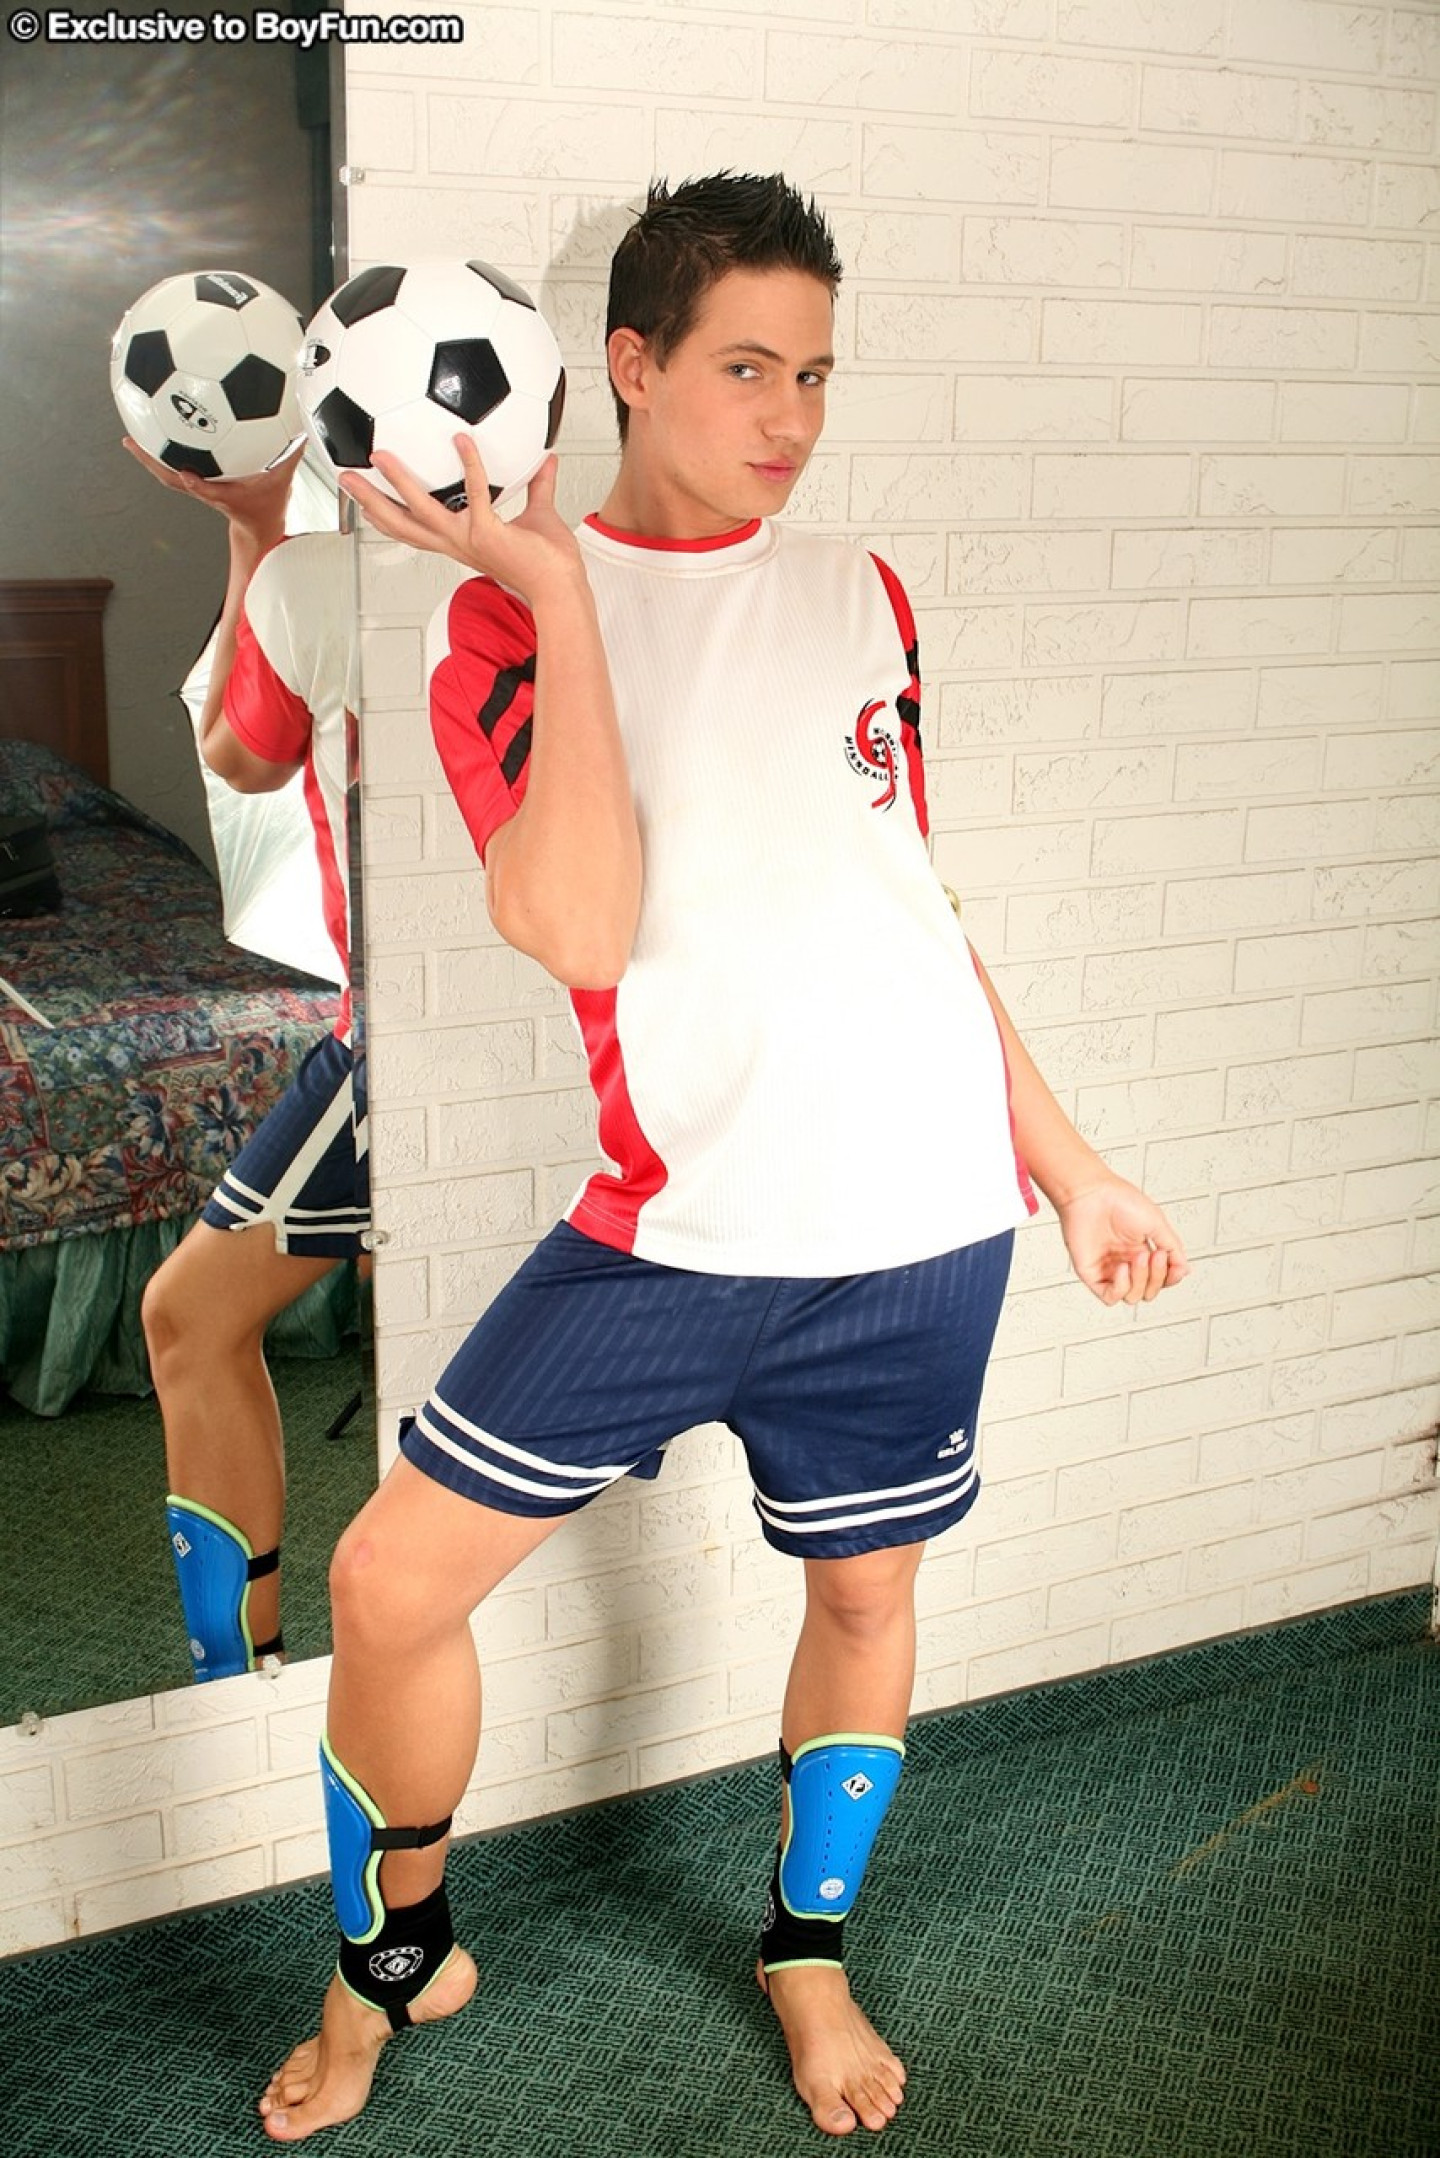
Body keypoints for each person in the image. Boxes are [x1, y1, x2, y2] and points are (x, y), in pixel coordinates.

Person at [257, 174, 1188, 2143]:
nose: (792, 415)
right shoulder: (496, 632)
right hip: (671, 1238)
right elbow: (583, 923)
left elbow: (911, 904)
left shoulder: (866, 594)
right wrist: (562, 596)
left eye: (818, 374)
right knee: (390, 1581)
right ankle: (392, 1957)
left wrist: (1073, 1164)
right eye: (748, 367)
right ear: (629, 363)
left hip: (922, 1221)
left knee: (861, 1604)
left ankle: (804, 1948)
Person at [126, 436, 366, 1683]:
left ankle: (240, 1682)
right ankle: (245, 1680)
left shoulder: (321, 579)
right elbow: (246, 747)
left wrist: (257, 524)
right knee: (190, 1313)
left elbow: (235, 753)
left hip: (408, 1035)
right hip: (410, 1022)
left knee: (188, 1312)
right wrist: (263, 527)